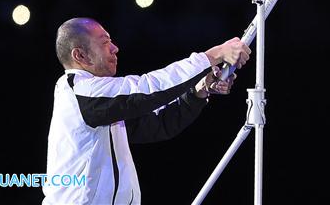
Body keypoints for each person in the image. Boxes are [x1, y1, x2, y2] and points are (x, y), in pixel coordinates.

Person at [43, 17, 251, 205]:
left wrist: (199, 90)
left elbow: (159, 124)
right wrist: (212, 55)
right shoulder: (80, 90)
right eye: (105, 42)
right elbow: (148, 88)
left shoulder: (99, 104)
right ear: (80, 55)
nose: (115, 48)